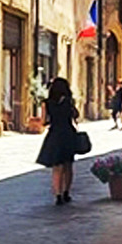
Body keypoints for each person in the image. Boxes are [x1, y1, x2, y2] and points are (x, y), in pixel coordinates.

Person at [36, 76, 79, 205]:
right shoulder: (69, 101)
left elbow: (43, 122)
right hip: (68, 134)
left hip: (54, 134)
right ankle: (66, 192)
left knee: (57, 167)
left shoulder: (46, 103)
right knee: (68, 165)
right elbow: (76, 115)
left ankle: (58, 195)